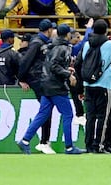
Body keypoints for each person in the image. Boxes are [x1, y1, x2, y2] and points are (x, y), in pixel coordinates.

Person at [17, 23, 84, 154]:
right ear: (68, 34)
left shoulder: (50, 45)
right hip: (56, 86)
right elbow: (54, 65)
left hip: (45, 83)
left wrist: (65, 69)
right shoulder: (63, 47)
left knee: (42, 114)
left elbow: (51, 64)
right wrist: (68, 74)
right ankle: (69, 147)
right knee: (68, 114)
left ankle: (25, 140)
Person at [75, 19, 111, 153]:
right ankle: (99, 145)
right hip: (105, 85)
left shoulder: (87, 44)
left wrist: (81, 84)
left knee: (90, 117)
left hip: (88, 85)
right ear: (106, 31)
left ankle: (89, 145)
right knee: (104, 117)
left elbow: (77, 64)